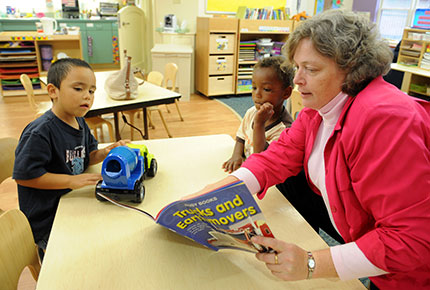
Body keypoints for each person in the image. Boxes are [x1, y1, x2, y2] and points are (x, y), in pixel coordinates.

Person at [198, 9, 430, 289]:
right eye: (297, 67)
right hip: (358, 230)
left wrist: (311, 264)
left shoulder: (386, 119)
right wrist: (217, 191)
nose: (296, 79)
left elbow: (410, 241)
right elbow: (277, 157)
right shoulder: (322, 107)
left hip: (410, 274)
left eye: (311, 69)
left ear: (352, 69)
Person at [13, 58, 127, 259]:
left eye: (91, 91)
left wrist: (104, 152)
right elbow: (24, 176)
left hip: (72, 204)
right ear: (53, 91)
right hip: (48, 220)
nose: (87, 96)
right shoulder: (40, 132)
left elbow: (86, 157)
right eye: (78, 89)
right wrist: (71, 180)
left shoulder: (80, 122)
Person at [222, 56, 294, 173]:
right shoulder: (251, 112)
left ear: (286, 93)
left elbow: (262, 158)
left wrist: (259, 124)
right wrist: (236, 155)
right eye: (254, 87)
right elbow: (241, 137)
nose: (257, 94)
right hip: (246, 169)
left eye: (266, 89)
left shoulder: (285, 130)